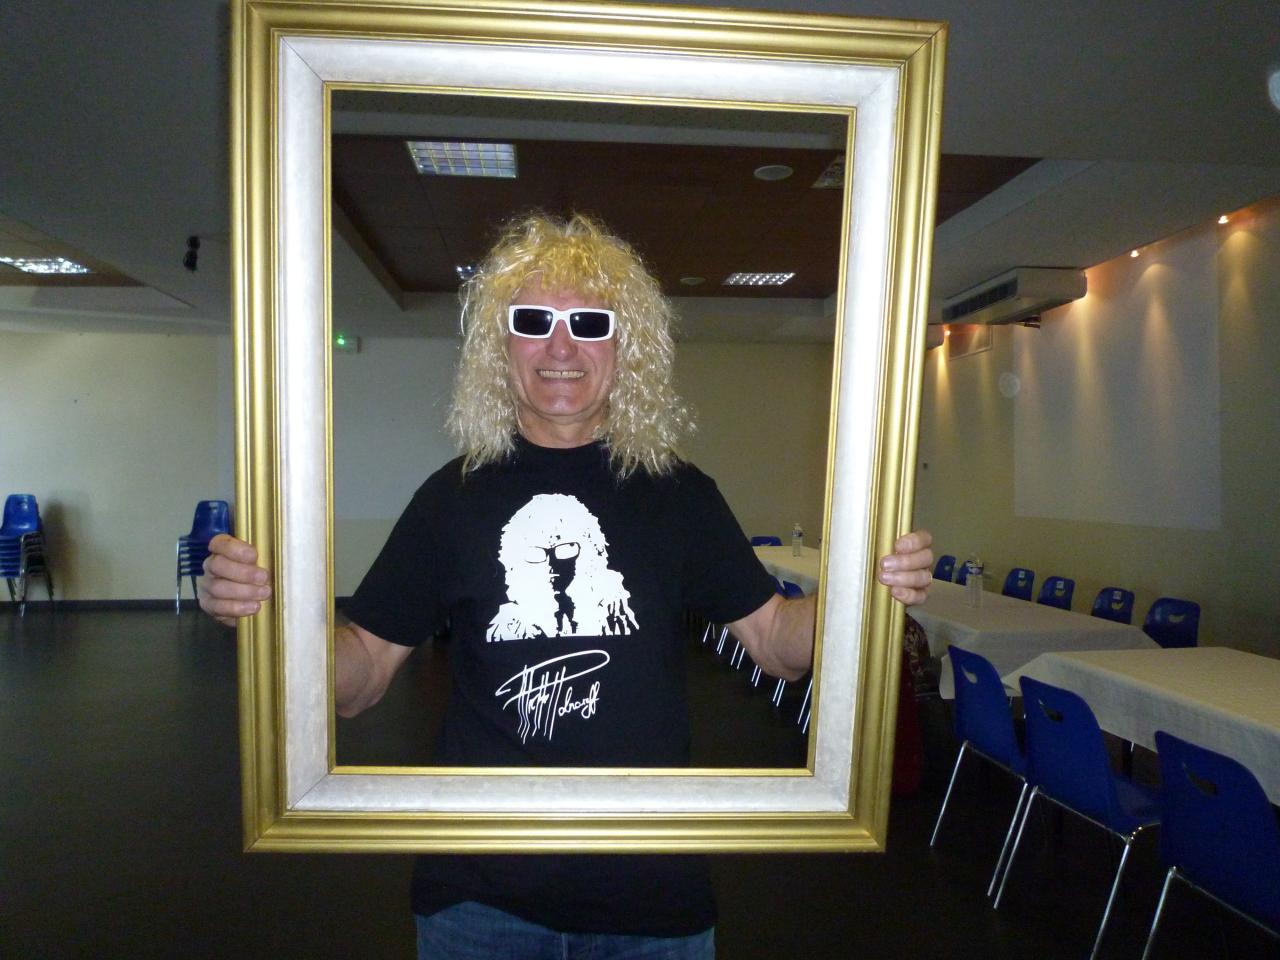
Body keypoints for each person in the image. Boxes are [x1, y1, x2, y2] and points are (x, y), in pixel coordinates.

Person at [200, 213, 933, 959]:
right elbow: (359, 679)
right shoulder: (452, 499)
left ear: (625, 345)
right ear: (501, 347)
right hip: (480, 898)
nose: (560, 346)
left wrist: (863, 588)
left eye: (588, 322)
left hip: (652, 896)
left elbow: (777, 644)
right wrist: (272, 619)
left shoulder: (679, 495)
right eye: (533, 321)